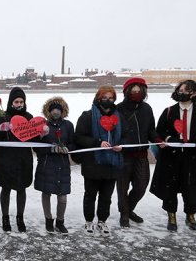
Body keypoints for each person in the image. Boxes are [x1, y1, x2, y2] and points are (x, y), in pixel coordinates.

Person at [150, 80, 196, 232]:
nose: (182, 92)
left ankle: (190, 215)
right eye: (180, 89)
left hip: (193, 157)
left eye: (186, 90)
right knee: (170, 187)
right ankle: (171, 215)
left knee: (191, 187)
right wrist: (169, 139)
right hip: (171, 157)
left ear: (195, 93)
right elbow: (158, 131)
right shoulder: (168, 111)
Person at [75, 86, 124, 235]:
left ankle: (102, 221)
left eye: (111, 98)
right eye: (105, 98)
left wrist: (121, 146)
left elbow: (127, 136)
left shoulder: (119, 117)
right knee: (90, 195)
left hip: (112, 164)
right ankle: (89, 221)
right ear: (98, 98)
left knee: (106, 196)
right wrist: (97, 142)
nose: (108, 101)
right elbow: (79, 137)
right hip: (92, 164)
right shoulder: (87, 116)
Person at [115, 78, 161, 227]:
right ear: (127, 91)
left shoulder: (147, 109)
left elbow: (151, 130)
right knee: (122, 187)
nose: (136, 92)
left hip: (141, 155)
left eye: (139, 90)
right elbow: (115, 132)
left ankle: (129, 209)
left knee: (141, 186)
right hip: (123, 155)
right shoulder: (118, 109)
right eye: (133, 89)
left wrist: (158, 140)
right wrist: (119, 144)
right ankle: (124, 214)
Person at [0, 87, 35, 232]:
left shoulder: (29, 117)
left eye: (21, 101)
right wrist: (1, 129)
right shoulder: (3, 116)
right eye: (16, 101)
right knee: (6, 188)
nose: (19, 104)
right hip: (6, 158)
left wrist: (41, 133)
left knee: (21, 188)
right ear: (11, 102)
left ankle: (20, 217)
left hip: (23, 159)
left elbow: (34, 139)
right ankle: (5, 218)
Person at [33, 96, 75, 233]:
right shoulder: (42, 125)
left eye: (58, 109)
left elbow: (73, 143)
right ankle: (48, 220)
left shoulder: (68, 125)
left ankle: (60, 221)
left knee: (62, 196)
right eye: (53, 110)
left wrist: (67, 148)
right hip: (47, 164)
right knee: (46, 193)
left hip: (62, 165)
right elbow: (36, 146)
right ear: (48, 111)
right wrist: (50, 148)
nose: (56, 112)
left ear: (62, 111)